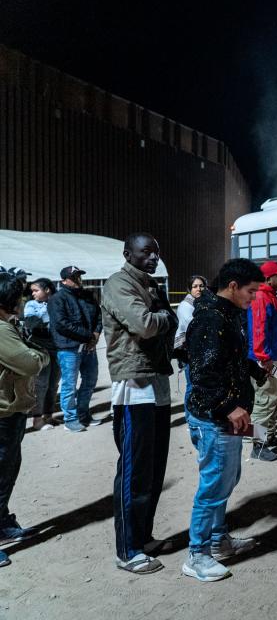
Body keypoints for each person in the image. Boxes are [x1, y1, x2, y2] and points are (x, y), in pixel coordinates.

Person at [181, 259, 265, 582]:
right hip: (212, 418)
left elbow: (228, 358)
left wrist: (255, 371)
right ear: (232, 286)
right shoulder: (209, 317)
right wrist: (230, 405)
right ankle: (197, 555)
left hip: (225, 417)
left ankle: (219, 541)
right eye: (251, 291)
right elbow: (202, 373)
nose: (254, 297)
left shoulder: (228, 314)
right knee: (214, 484)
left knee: (226, 480)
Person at [100, 232, 177, 574]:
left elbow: (159, 324)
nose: (153, 257)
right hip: (134, 383)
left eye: (156, 252)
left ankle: (143, 537)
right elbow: (144, 325)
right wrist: (166, 318)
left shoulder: (151, 284)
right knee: (133, 470)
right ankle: (128, 550)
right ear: (127, 253)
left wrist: (162, 317)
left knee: (155, 466)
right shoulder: (119, 283)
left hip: (157, 377)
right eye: (146, 251)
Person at [0, 270, 49, 567]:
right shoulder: (1, 329)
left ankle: (3, 522)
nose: (23, 300)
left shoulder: (8, 325)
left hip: (11, 410)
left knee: (8, 471)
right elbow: (31, 363)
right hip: (3, 412)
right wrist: (40, 355)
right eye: (19, 295)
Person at [47, 265, 102, 432]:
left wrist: (96, 333)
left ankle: (83, 414)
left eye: (79, 276)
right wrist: (89, 337)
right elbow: (62, 324)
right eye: (74, 277)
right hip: (68, 349)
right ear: (64, 280)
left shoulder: (87, 296)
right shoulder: (57, 299)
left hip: (88, 347)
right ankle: (70, 419)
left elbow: (98, 315)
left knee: (90, 380)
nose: (78, 279)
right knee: (69, 385)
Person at [247, 261, 277, 461]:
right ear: (268, 278)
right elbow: (258, 330)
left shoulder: (269, 297)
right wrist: (264, 360)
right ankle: (258, 445)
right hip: (267, 360)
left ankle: (268, 437)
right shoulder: (261, 297)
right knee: (265, 400)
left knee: (275, 397)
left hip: (275, 358)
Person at [23, 278, 60, 431]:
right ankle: (37, 420)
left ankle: (48, 415)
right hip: (40, 348)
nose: (33, 294)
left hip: (57, 348)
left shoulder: (57, 302)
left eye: (36, 290)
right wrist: (50, 315)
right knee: (41, 384)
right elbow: (31, 323)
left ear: (47, 290)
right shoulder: (31, 305)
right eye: (32, 291)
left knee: (53, 384)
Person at [174, 275, 207, 407]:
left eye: (201, 286)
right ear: (189, 289)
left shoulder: (204, 303)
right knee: (192, 386)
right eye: (195, 286)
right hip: (189, 352)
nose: (198, 289)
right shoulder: (186, 305)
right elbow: (195, 327)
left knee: (201, 385)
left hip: (202, 351)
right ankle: (191, 419)